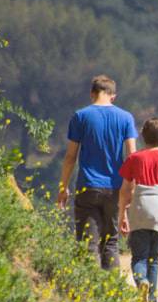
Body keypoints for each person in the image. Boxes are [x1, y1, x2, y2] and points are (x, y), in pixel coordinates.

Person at [58, 75, 137, 269]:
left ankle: (88, 294)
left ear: (92, 94)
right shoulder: (126, 117)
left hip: (88, 186)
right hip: (115, 187)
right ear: (113, 95)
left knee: (87, 245)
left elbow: (70, 157)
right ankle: (111, 292)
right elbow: (132, 157)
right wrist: (128, 191)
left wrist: (63, 187)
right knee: (111, 243)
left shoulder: (80, 116)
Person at [118, 117, 158, 302]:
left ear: (143, 136)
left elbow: (126, 190)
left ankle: (141, 283)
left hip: (140, 208)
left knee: (139, 257)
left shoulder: (134, 159)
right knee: (154, 258)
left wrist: (122, 215)